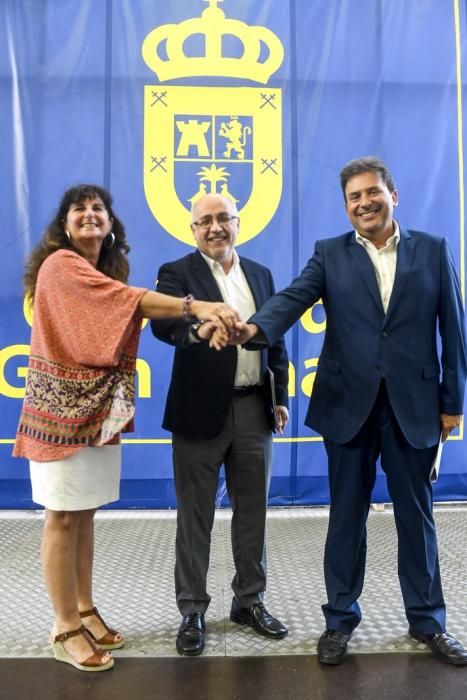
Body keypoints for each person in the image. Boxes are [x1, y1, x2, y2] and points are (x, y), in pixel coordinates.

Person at [226, 157, 467, 666]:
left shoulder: (433, 249)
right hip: (347, 409)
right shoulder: (329, 254)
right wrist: (253, 329)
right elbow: (292, 298)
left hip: (414, 408)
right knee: (345, 519)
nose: (364, 203)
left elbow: (455, 330)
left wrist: (453, 403)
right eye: (354, 197)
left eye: (372, 192)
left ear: (393, 195)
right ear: (346, 206)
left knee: (417, 520)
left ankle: (429, 622)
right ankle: (339, 621)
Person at [13, 184, 238, 672]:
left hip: (93, 413)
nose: (90, 215)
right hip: (57, 415)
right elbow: (127, 302)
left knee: (85, 514)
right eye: (79, 209)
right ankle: (63, 626)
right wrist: (196, 308)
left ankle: (85, 609)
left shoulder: (99, 272)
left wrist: (200, 321)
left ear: (111, 226)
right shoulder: (61, 265)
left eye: (99, 209)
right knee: (62, 517)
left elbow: (118, 308)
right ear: (65, 225)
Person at [150, 193, 289, 656]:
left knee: (253, 512)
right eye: (204, 221)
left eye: (223, 219)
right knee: (196, 516)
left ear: (238, 222)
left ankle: (249, 601)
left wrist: (281, 396)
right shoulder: (176, 273)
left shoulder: (262, 276)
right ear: (192, 228)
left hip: (255, 409)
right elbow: (164, 326)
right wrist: (197, 329)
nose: (215, 228)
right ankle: (192, 609)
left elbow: (276, 337)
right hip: (197, 412)